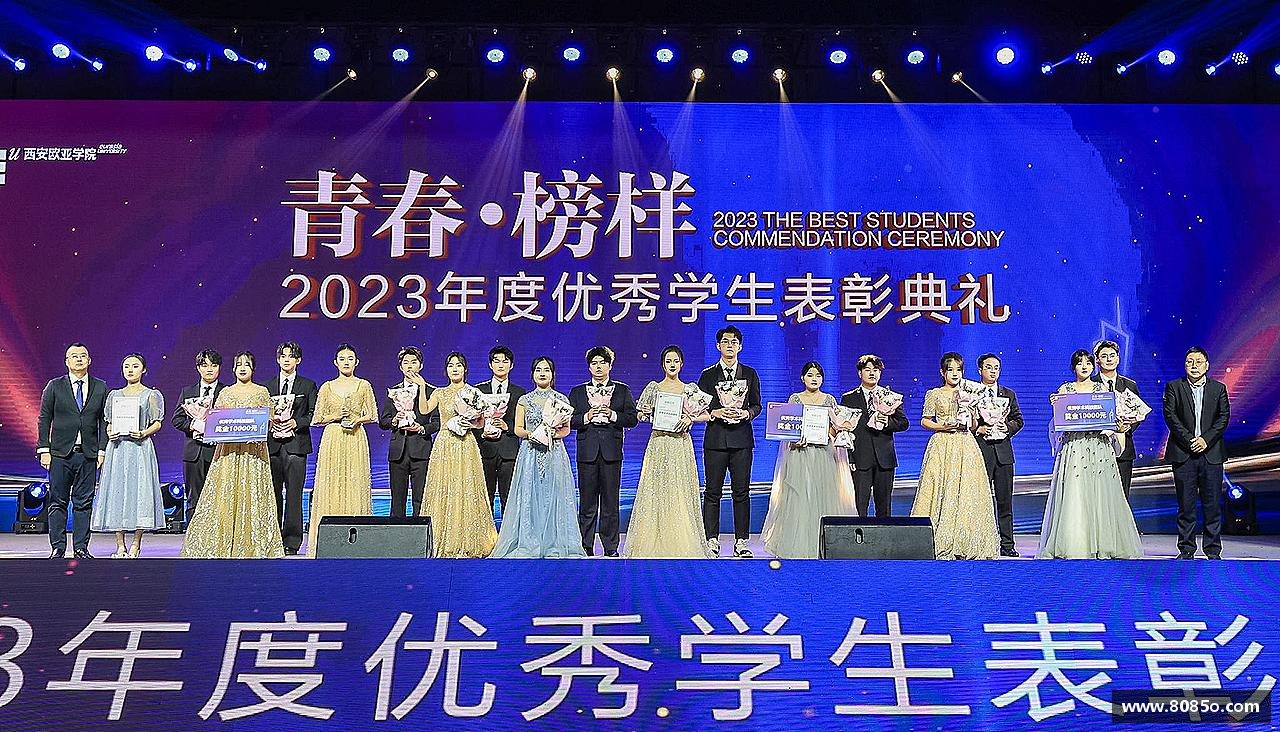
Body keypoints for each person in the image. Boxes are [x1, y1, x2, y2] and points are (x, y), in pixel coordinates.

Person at [1037, 349, 1141, 559]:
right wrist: (1057, 407)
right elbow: (1059, 422)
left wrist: (1117, 426)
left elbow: (1110, 417)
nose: (1084, 366)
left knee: (1100, 493)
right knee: (1075, 493)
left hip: (1098, 446)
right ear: (1073, 367)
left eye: (1088, 363)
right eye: (1079, 363)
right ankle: (1075, 543)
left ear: (1094, 366)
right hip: (1075, 446)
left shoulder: (1102, 389)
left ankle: (1104, 543)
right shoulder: (1065, 389)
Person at [181, 352, 285, 558]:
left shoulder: (262, 392)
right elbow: (217, 422)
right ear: (233, 368)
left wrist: (261, 428)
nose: (243, 368)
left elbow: (270, 420)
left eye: (247, 364)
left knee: (253, 494)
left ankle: (253, 544)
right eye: (239, 364)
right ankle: (222, 543)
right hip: (228, 453)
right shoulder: (225, 393)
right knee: (225, 494)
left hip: (254, 453)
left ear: (253, 368)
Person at [760, 362, 858, 559]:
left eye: (818, 375)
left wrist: (840, 429)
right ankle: (799, 546)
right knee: (800, 497)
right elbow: (788, 430)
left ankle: (824, 546)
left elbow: (833, 431)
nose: (814, 379)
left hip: (823, 455)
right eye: (810, 375)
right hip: (800, 454)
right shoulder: (795, 399)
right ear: (802, 378)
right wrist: (795, 440)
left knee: (823, 496)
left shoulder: (829, 400)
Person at [490, 356, 585, 558]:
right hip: (530, 452)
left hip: (554, 452)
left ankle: (554, 542)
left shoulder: (562, 400)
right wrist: (532, 435)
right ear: (532, 374)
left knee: (554, 495)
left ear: (552, 374)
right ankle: (529, 540)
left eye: (546, 370)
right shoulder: (524, 400)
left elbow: (566, 429)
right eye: (538, 370)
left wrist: (551, 434)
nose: (542, 373)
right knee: (529, 496)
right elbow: (517, 429)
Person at [625, 346, 713, 559]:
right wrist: (646, 412)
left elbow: (707, 415)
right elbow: (639, 416)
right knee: (655, 489)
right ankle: (653, 540)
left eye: (675, 361)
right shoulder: (653, 388)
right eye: (668, 361)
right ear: (662, 365)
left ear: (681, 364)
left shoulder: (690, 390)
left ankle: (680, 541)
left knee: (679, 489)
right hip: (659, 443)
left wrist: (690, 418)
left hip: (680, 444)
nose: (672, 365)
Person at [910, 353, 999, 560]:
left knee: (966, 489)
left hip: (965, 443)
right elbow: (925, 420)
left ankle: (964, 540)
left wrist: (970, 414)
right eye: (950, 370)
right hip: (942, 444)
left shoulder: (970, 393)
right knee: (940, 487)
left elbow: (975, 424)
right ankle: (935, 538)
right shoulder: (934, 394)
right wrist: (943, 426)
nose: (955, 374)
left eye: (958, 370)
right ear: (942, 373)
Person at [418, 352, 498, 558]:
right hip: (445, 444)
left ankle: (468, 539)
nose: (455, 369)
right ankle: (442, 538)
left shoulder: (473, 392)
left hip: (466, 443)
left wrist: (468, 423)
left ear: (465, 369)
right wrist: (422, 388)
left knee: (466, 488)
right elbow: (424, 410)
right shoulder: (439, 392)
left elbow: (480, 423)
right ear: (446, 370)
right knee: (444, 487)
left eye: (459, 365)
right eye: (451, 365)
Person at [36, 342, 108, 559]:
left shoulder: (100, 387)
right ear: (67, 361)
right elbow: (44, 418)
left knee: (84, 503)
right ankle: (58, 547)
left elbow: (104, 421)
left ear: (89, 360)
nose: (79, 359)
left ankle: (80, 548)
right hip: (59, 454)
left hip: (88, 454)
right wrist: (44, 449)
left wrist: (101, 451)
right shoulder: (54, 386)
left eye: (83, 355)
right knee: (57, 501)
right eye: (74, 356)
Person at [697, 326, 763, 559]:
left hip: (741, 440)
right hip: (715, 440)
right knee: (712, 492)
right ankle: (711, 540)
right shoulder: (707, 375)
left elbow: (757, 405)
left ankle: (741, 541)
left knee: (741, 492)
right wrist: (715, 413)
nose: (729, 345)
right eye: (725, 342)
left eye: (734, 342)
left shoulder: (750, 374)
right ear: (718, 346)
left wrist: (746, 414)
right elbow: (698, 407)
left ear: (740, 347)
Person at [306, 344, 378, 557]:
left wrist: (357, 419)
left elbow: (372, 415)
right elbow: (317, 419)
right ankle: (328, 542)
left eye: (350, 358)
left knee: (355, 482)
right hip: (333, 438)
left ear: (357, 362)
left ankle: (357, 543)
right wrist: (337, 416)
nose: (346, 362)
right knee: (332, 483)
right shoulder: (326, 387)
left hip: (355, 438)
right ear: (335, 363)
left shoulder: (364, 385)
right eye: (342, 359)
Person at [92, 353, 166, 558]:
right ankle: (120, 545)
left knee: (140, 491)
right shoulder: (114, 395)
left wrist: (143, 433)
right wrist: (110, 432)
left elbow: (157, 423)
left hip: (140, 447)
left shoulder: (151, 395)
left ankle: (136, 543)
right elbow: (109, 423)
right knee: (117, 491)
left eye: (135, 366)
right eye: (126, 366)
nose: (130, 370)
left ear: (144, 370)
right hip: (118, 448)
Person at [570, 346, 639, 557]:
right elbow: (569, 420)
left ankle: (610, 547)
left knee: (610, 502)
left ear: (610, 365)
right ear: (589, 367)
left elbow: (632, 419)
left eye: (602, 363)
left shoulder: (622, 390)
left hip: (611, 453)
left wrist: (613, 415)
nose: (598, 367)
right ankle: (586, 546)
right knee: (587, 503)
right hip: (587, 453)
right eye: (594, 363)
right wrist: (587, 417)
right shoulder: (578, 392)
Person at [1163, 346, 1231, 560]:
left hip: (1211, 454)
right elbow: (1171, 416)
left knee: (1213, 505)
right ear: (1185, 365)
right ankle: (1186, 548)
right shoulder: (1174, 387)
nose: (1194, 366)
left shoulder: (1218, 388)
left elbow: (1223, 418)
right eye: (1190, 362)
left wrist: (1205, 440)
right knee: (1186, 505)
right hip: (1183, 454)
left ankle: (1213, 549)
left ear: (1207, 365)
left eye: (1198, 362)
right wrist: (1190, 441)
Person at [265, 341, 318, 555]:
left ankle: (292, 541)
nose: (287, 359)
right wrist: (271, 421)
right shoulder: (266, 386)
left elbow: (314, 414)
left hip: (296, 446)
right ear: (278, 359)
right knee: (273, 494)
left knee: (294, 495)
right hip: (273, 447)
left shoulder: (308, 385)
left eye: (291, 356)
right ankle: (273, 539)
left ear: (298, 360)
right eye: (283, 356)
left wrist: (297, 422)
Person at [839, 354, 909, 518]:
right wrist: (850, 458)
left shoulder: (890, 397)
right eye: (868, 370)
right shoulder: (848, 398)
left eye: (876, 370)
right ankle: (859, 534)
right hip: (860, 459)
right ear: (860, 373)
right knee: (860, 506)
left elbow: (903, 423)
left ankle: (884, 534)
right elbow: (844, 431)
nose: (872, 373)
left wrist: (887, 422)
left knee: (884, 508)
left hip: (885, 459)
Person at [377, 346, 439, 518]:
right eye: (406, 363)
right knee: (397, 500)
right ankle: (396, 533)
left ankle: (421, 533)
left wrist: (421, 428)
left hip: (421, 451)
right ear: (400, 367)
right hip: (398, 452)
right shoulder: (393, 392)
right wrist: (395, 420)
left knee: (421, 499)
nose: (410, 366)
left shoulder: (431, 391)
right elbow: (383, 421)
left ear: (421, 366)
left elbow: (436, 422)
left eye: (413, 362)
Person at [973, 353, 1025, 557]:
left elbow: (1018, 420)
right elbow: (964, 419)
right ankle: (980, 543)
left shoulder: (1008, 394)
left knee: (1005, 501)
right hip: (980, 453)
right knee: (979, 501)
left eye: (996, 367)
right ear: (980, 370)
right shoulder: (972, 393)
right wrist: (978, 429)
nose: (993, 371)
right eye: (989, 367)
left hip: (1003, 454)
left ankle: (1007, 544)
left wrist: (1007, 427)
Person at [171, 349, 226, 522]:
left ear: (219, 368)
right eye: (205, 365)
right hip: (193, 453)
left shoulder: (226, 392)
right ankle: (193, 535)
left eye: (213, 365)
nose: (209, 369)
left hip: (219, 453)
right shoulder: (188, 391)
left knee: (218, 497)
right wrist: (194, 425)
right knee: (193, 498)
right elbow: (177, 419)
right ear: (198, 368)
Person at [475, 345, 526, 518]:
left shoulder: (519, 392)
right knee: (484, 496)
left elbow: (523, 422)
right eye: (496, 361)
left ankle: (508, 533)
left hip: (508, 451)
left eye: (505, 361)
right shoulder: (479, 390)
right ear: (490, 365)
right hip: (485, 449)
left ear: (511, 365)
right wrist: (482, 433)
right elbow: (473, 420)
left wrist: (507, 426)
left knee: (509, 497)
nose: (501, 365)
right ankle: (485, 533)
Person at [1092, 340, 1144, 499]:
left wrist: (1127, 427)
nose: (1109, 359)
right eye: (1104, 356)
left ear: (1118, 358)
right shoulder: (1090, 384)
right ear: (1097, 360)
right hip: (1096, 447)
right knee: (1098, 495)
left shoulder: (1129, 385)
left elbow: (1138, 413)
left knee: (1122, 496)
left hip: (1124, 449)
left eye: (1112, 355)